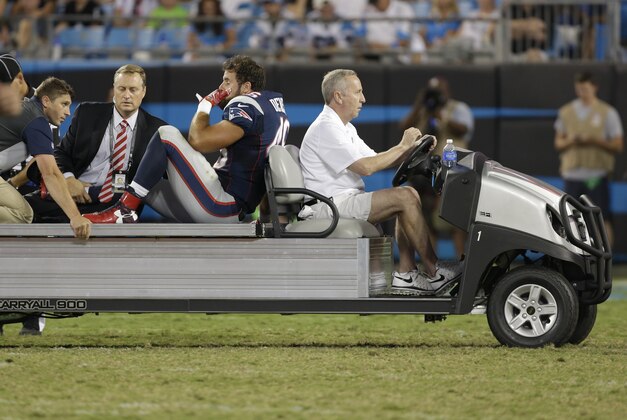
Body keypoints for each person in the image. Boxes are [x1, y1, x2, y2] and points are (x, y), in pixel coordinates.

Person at [299, 69, 462, 295]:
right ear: (338, 96)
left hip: (342, 201)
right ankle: (435, 271)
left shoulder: (345, 127)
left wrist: (414, 148)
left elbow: (377, 158)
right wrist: (403, 147)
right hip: (328, 206)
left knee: (407, 196)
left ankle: (406, 273)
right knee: (406, 196)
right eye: (358, 92)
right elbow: (366, 167)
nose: (363, 99)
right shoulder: (326, 127)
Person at [83, 55, 289, 224]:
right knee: (141, 179)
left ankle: (124, 210)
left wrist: (205, 106)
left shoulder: (245, 102)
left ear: (246, 87)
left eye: (227, 81)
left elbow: (198, 140)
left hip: (223, 206)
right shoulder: (272, 107)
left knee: (167, 135)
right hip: (233, 207)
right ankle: (94, 197)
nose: (221, 86)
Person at [0, 77, 92, 336]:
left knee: (22, 216)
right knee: (24, 214)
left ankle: (29, 318)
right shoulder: (37, 122)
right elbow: (50, 173)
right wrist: (75, 217)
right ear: (46, 101)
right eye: (63, 104)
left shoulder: (24, 112)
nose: (67, 111)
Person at [25, 64, 166, 223]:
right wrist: (69, 179)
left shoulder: (157, 130)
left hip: (115, 203)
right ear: (114, 89)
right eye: (122, 89)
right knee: (21, 209)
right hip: (72, 192)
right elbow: (61, 153)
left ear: (143, 92)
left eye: (133, 90)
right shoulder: (87, 113)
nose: (127, 95)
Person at [400, 76, 473, 258]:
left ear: (447, 91)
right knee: (426, 223)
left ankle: (462, 265)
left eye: (439, 91)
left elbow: (464, 129)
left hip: (452, 171)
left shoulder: (458, 108)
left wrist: (443, 117)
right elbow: (404, 127)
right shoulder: (424, 111)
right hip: (424, 174)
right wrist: (420, 104)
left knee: (454, 222)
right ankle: (433, 269)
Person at [554, 71, 624, 246]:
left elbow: (617, 145)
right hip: (572, 175)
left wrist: (594, 141)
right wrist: (572, 140)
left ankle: (606, 258)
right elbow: (559, 143)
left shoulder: (608, 113)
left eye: (585, 89)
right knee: (570, 218)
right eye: (579, 89)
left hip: (595, 176)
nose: (582, 93)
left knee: (601, 218)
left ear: (594, 88)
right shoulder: (566, 112)